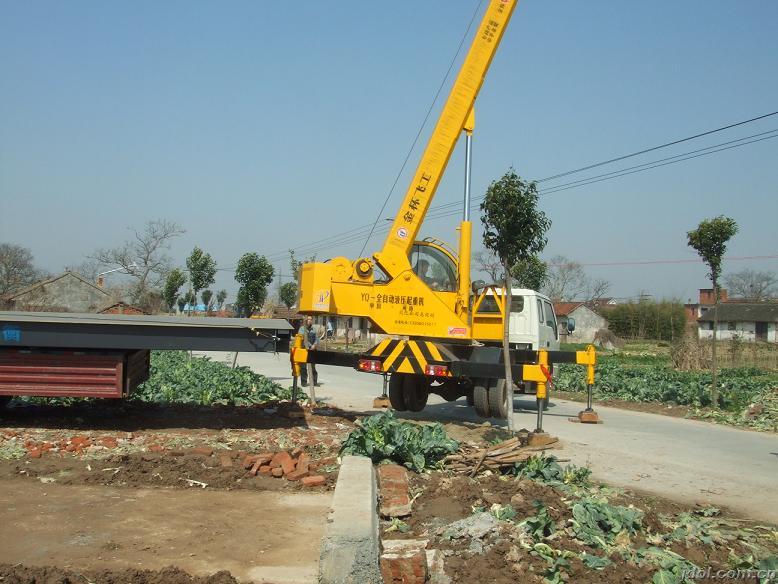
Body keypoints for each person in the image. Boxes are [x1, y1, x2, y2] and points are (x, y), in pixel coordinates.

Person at [299, 315, 319, 386]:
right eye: (308, 319)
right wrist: (310, 345)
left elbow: (317, 339)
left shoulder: (314, 329)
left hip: (313, 350)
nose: (309, 321)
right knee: (303, 367)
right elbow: (304, 339)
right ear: (305, 320)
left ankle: (314, 382)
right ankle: (304, 382)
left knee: (313, 367)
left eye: (311, 319)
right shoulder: (302, 329)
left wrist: (314, 345)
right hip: (304, 350)